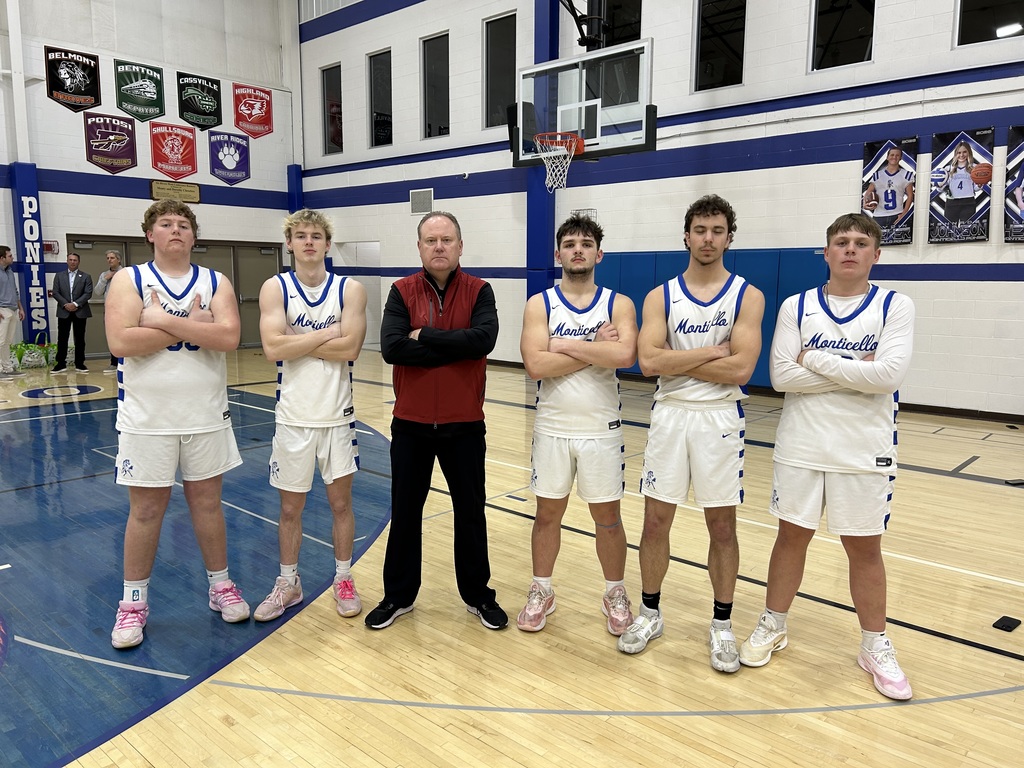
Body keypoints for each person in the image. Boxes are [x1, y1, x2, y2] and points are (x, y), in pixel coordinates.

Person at [738, 213, 915, 701]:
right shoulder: (798, 305)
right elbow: (779, 377)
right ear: (827, 252)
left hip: (864, 450)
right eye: (842, 242)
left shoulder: (895, 305)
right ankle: (774, 623)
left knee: (864, 548)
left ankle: (874, 644)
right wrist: (855, 368)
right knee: (791, 538)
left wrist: (813, 358)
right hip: (801, 444)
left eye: (861, 243)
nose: (851, 250)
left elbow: (889, 375)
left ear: (876, 254)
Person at [618, 194, 765, 675]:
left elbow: (742, 367)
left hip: (720, 418)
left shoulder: (748, 295)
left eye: (717, 230)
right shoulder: (661, 295)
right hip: (670, 415)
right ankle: (650, 613)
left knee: (722, 527)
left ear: (729, 237)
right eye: (700, 229)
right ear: (686, 236)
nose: (708, 238)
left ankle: (722, 625)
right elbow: (648, 362)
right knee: (656, 522)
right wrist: (712, 353)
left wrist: (681, 359)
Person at [105, 199, 249, 649]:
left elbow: (228, 337)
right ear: (150, 234)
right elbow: (121, 341)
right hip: (146, 418)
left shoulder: (215, 280)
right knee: (146, 511)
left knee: (208, 506)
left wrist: (163, 320)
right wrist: (193, 323)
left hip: (205, 414)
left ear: (193, 235)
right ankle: (132, 604)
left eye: (183, 225)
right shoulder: (129, 279)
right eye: (165, 224)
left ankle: (220, 585)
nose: (175, 230)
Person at [366, 211, 506, 631]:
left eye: (447, 239)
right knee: (406, 513)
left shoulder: (480, 290)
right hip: (410, 424)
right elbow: (391, 347)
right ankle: (398, 596)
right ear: (420, 247)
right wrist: (456, 346)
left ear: (460, 246)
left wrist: (423, 335)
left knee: (470, 513)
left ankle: (478, 596)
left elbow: (484, 340)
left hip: (465, 424)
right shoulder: (400, 291)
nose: (439, 246)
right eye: (431, 240)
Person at [517, 215, 638, 635]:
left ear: (599, 254)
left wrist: (564, 345)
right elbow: (535, 364)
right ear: (558, 254)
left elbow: (625, 357)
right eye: (570, 244)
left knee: (607, 516)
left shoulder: (618, 303)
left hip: (601, 428)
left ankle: (615, 592)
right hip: (552, 427)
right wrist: (594, 348)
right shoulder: (540, 304)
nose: (578, 250)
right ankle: (541, 589)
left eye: (586, 243)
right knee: (547, 513)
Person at [253, 209, 368, 622]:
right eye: (300, 236)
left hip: (338, 417)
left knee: (341, 504)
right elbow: (272, 349)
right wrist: (327, 333)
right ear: (289, 243)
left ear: (326, 243)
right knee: (289, 509)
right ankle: (289, 582)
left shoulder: (350, 289)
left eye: (316, 236)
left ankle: (343, 578)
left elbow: (351, 349)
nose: (308, 242)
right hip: (293, 417)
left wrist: (297, 339)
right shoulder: (275, 288)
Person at [50, 252, 93, 373]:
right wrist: (66, 304)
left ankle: (80, 363)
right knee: (62, 338)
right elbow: (55, 292)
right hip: (64, 311)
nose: (72, 262)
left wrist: (75, 304)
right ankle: (61, 364)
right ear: (67, 261)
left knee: (79, 338)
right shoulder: (59, 276)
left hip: (80, 311)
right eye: (70, 260)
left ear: (78, 262)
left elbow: (87, 293)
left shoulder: (86, 276)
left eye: (75, 260)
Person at [862, 147, 914, 229]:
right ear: (887, 157)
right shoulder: (877, 175)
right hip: (879, 215)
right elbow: (868, 192)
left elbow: (910, 196)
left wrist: (904, 213)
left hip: (897, 214)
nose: (894, 157)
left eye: (897, 155)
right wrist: (865, 204)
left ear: (900, 158)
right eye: (892, 155)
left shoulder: (906, 175)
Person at [94, 249, 124, 372]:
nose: (109, 260)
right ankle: (114, 363)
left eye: (112, 258)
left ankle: (124, 362)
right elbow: (97, 291)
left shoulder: (126, 273)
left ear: (118, 259)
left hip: (123, 310)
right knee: (112, 336)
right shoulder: (104, 275)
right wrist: (105, 279)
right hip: (109, 311)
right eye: (108, 258)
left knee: (123, 336)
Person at [0, 245, 27, 380]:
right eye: (10, 256)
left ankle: (7, 368)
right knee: (0, 340)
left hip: (13, 309)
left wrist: (20, 308)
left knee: (8, 341)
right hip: (1, 310)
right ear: (2, 258)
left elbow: (15, 292)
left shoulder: (10, 271)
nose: (12, 258)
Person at [942, 141, 978, 223]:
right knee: (949, 231)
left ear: (969, 152)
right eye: (959, 152)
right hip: (951, 202)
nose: (962, 155)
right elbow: (943, 187)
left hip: (968, 202)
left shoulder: (975, 168)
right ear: (955, 154)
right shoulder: (948, 169)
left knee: (966, 231)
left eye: (964, 152)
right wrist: (940, 186)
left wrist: (980, 185)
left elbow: (975, 188)